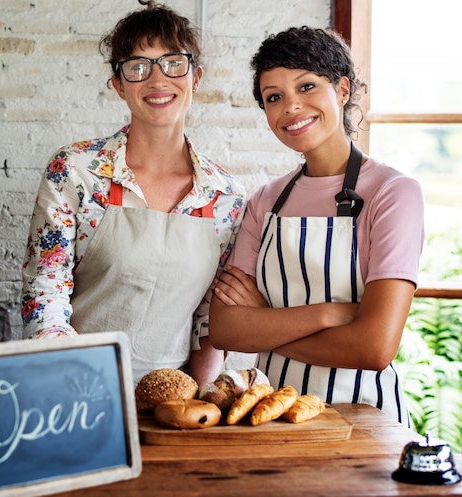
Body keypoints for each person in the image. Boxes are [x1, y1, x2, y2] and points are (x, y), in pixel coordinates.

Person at [21, 0, 245, 386]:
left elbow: (209, 320)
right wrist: (76, 384)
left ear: (196, 77)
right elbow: (45, 292)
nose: (157, 80)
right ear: (119, 85)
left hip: (173, 399)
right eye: (138, 67)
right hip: (74, 384)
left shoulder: (226, 197)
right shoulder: (76, 172)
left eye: (173, 62)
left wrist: (202, 397)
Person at [209, 26, 424, 425]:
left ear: (342, 90)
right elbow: (225, 329)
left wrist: (266, 321)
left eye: (306, 86)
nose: (291, 106)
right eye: (274, 97)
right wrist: (330, 314)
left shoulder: (393, 193)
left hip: (364, 420)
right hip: (272, 416)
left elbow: (374, 348)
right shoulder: (266, 200)